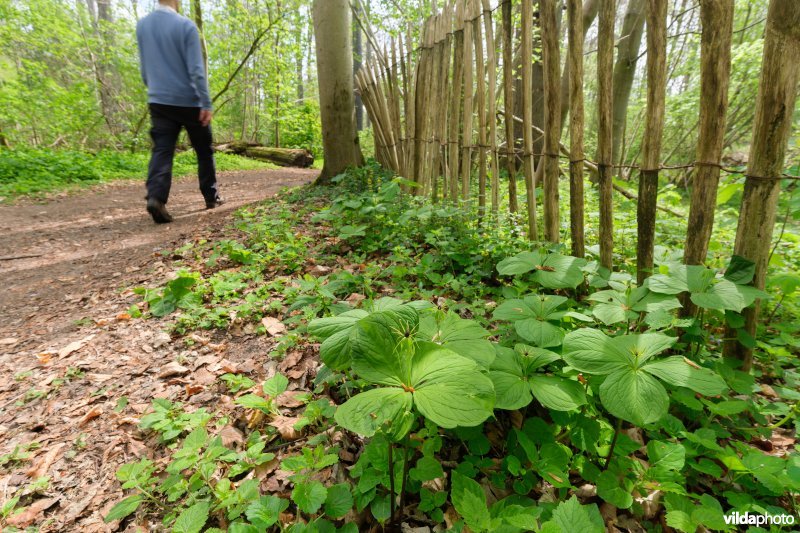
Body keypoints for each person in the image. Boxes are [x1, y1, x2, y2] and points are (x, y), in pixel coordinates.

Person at [136, 0, 223, 224]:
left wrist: (155, 89)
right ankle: (211, 197)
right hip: (190, 102)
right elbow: (196, 70)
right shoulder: (186, 26)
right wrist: (206, 103)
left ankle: (156, 198)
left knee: (163, 150)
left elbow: (145, 69)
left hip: (158, 99)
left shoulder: (143, 25)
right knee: (204, 150)